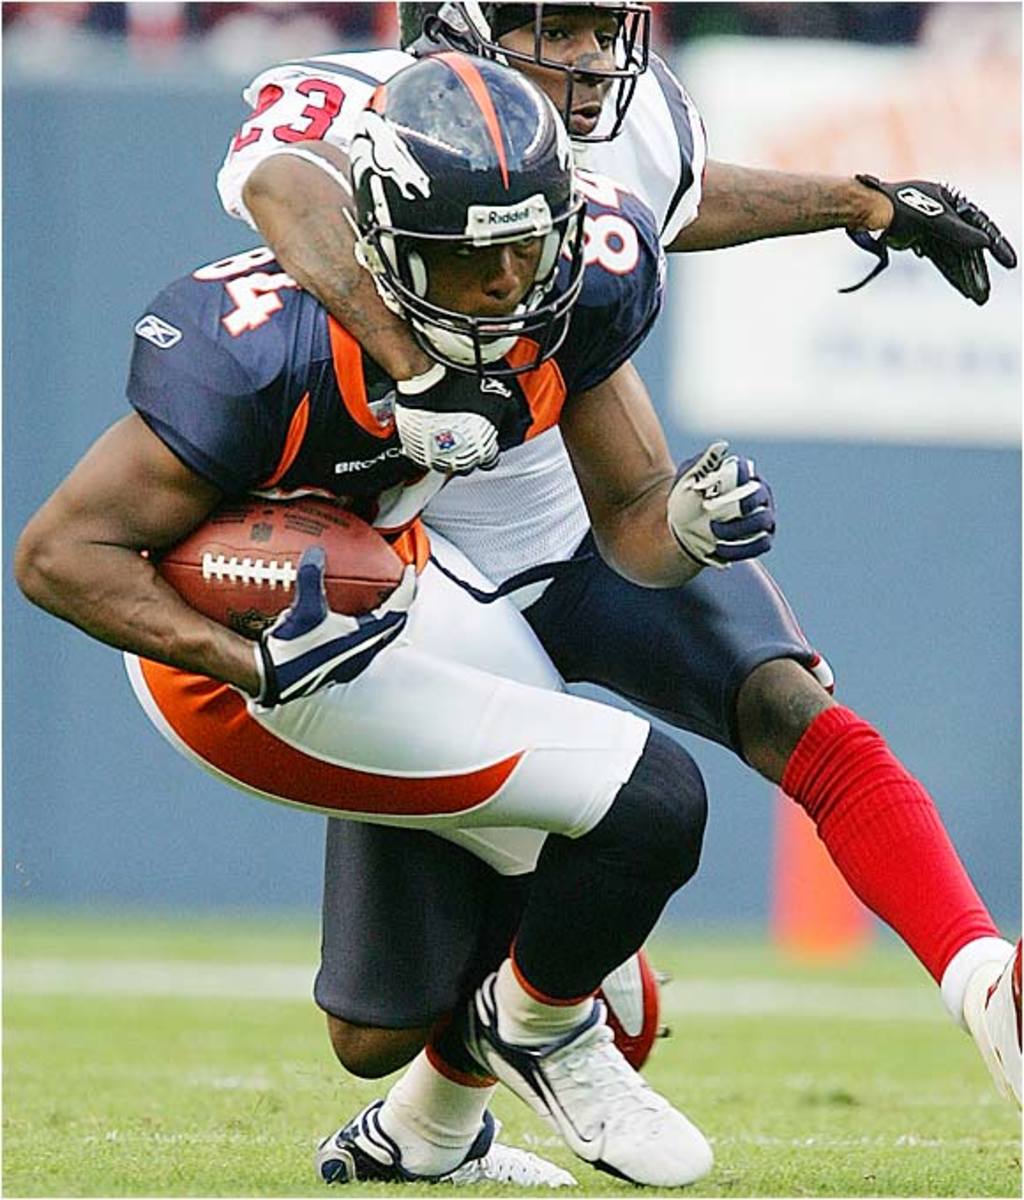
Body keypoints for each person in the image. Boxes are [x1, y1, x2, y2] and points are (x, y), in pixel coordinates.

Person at [212, 0, 1023, 1142]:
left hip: (583, 520)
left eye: (604, 31)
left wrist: (864, 202)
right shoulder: (360, 102)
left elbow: (681, 194)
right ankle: (431, 1115)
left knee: (791, 706)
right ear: (457, 25)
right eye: (562, 31)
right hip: (416, 576)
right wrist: (414, 368)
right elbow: (283, 186)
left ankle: (986, 983)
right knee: (373, 1029)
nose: (594, 62)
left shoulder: (637, 122)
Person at [15, 53, 784, 1188]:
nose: (509, 283)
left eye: (530, 247)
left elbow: (630, 523)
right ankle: (543, 1033)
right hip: (237, 666)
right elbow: (57, 554)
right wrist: (250, 660)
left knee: (393, 1018)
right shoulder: (262, 349)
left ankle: (423, 1136)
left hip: (394, 596)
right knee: (649, 801)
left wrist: (687, 526)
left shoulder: (577, 291)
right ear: (386, 245)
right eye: (471, 256)